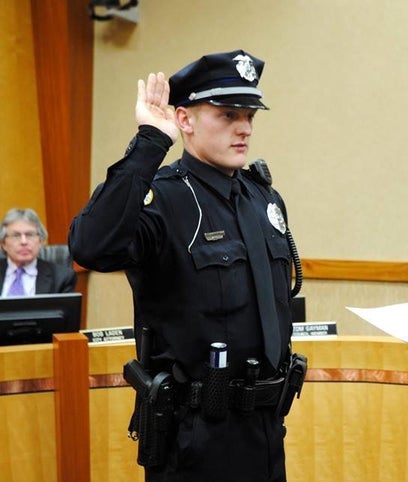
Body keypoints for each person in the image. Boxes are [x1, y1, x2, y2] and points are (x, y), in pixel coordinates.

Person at [69, 49, 304, 482]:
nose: (245, 127)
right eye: (228, 114)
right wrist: (149, 143)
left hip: (267, 430)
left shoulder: (263, 199)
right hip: (194, 438)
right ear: (185, 120)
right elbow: (90, 246)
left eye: (250, 115)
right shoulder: (164, 200)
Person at [1, 208, 76, 296]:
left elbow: (64, 310)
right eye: (16, 235)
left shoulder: (62, 278)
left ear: (40, 241)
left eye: (30, 235)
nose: (24, 242)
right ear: (3, 243)